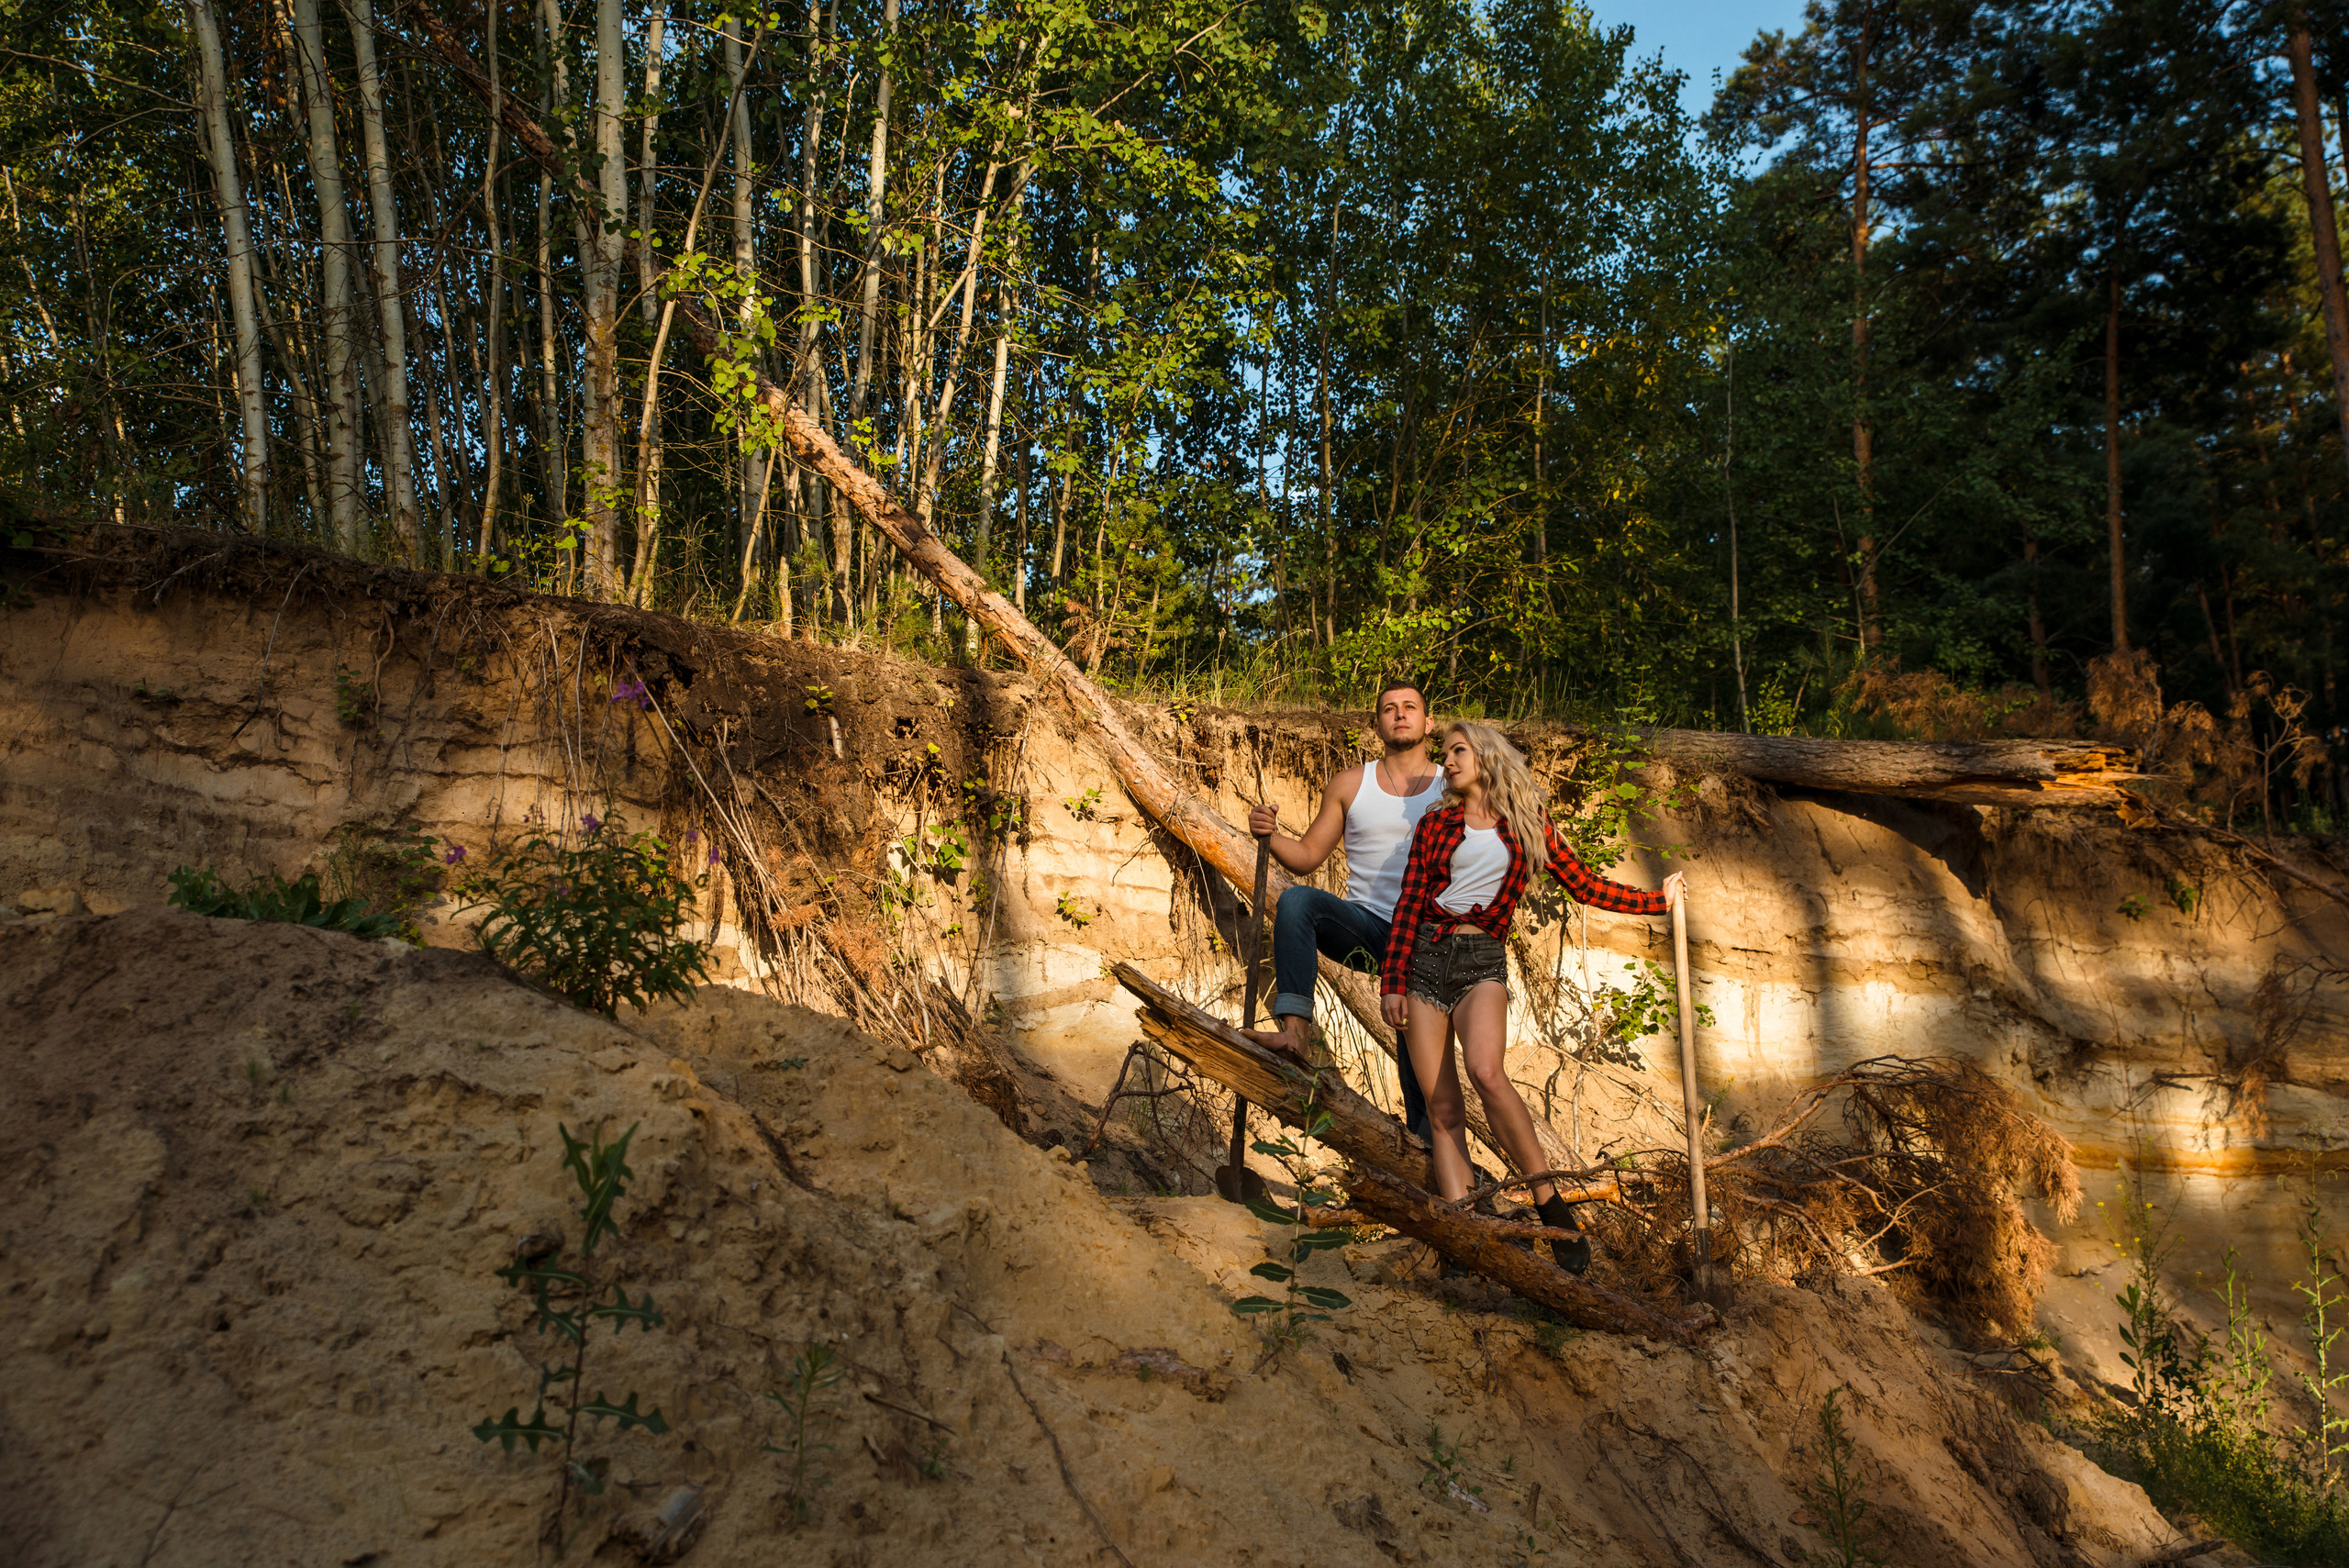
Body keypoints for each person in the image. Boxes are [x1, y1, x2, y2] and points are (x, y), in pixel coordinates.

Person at [1381, 719, 1684, 1273]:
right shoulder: (1435, 824)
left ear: (1487, 757)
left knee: (1487, 1072)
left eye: (1456, 751)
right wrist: (1393, 981)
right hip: (1425, 959)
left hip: (1481, 961)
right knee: (1442, 1108)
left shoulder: (1527, 824)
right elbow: (1409, 903)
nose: (1446, 762)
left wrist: (1656, 903)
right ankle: (1461, 1233)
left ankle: (1551, 1206)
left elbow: (1588, 885)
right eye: (1445, 753)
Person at [1244, 677, 1443, 1141]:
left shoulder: (1449, 784)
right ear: (1376, 725)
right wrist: (1268, 834)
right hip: (1369, 929)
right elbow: (1308, 856)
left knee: (1421, 1058)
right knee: (1297, 900)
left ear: (1428, 722)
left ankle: (1427, 1154)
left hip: (1432, 939)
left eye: (1410, 706)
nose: (1400, 713)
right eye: (1389, 708)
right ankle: (1294, 1033)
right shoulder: (1351, 784)